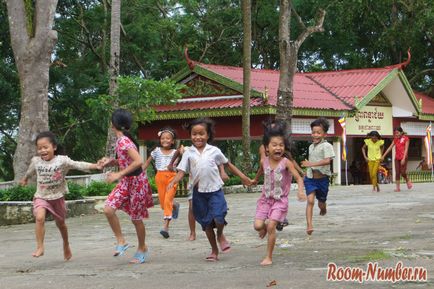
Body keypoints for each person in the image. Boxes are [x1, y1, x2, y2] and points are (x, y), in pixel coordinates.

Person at [167, 117, 251, 261]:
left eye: (201, 134)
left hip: (215, 191)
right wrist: (173, 181)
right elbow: (181, 171)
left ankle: (220, 234)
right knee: (206, 224)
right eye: (194, 134)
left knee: (219, 217)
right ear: (190, 135)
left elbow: (228, 164)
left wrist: (243, 177)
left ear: (208, 135)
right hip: (198, 194)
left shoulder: (214, 150)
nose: (198, 137)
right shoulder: (188, 152)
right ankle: (214, 251)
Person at [19, 131, 102, 260]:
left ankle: (66, 244)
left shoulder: (62, 160)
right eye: (39, 148)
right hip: (41, 196)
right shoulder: (36, 161)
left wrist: (95, 166)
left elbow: (78, 164)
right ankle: (40, 247)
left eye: (45, 147)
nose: (42, 151)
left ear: (54, 147)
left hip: (57, 197)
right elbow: (30, 171)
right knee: (39, 218)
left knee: (61, 224)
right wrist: (24, 179)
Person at [100, 108, 154, 264]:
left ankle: (142, 247)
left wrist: (118, 174)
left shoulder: (123, 140)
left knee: (136, 219)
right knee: (109, 209)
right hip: (126, 182)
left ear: (113, 124)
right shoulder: (122, 140)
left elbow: (138, 161)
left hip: (136, 183)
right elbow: (127, 160)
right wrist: (112, 161)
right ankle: (121, 241)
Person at [252, 121, 305, 266]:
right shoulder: (264, 161)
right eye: (274, 145)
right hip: (265, 200)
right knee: (258, 226)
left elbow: (299, 177)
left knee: (271, 226)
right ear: (267, 148)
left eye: (281, 145)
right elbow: (261, 172)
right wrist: (255, 180)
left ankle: (268, 256)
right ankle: (263, 228)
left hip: (280, 201)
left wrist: (300, 191)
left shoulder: (286, 162)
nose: (278, 148)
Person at [168, 144, 229, 241]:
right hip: (195, 186)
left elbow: (221, 161)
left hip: (211, 187)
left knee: (216, 211)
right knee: (192, 207)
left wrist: (222, 172)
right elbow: (178, 152)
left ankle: (219, 232)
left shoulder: (213, 149)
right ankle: (192, 232)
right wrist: (171, 164)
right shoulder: (188, 150)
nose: (198, 137)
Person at [258, 120, 304, 231]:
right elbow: (262, 165)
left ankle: (278, 219)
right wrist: (255, 179)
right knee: (260, 224)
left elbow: (292, 162)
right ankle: (272, 221)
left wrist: (301, 172)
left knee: (274, 217)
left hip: (280, 195)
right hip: (268, 194)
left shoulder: (283, 151)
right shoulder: (264, 147)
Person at [143, 127, 180, 239]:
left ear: (172, 141)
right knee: (164, 204)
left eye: (168, 138)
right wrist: (140, 172)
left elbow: (182, 153)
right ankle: (175, 205)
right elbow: (147, 162)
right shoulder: (156, 151)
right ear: (160, 140)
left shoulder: (175, 152)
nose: (165, 140)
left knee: (168, 200)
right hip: (159, 177)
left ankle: (165, 227)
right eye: (163, 138)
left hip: (172, 177)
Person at [301, 118, 335, 235]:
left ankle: (323, 208)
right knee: (310, 201)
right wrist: (307, 170)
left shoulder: (327, 146)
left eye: (318, 133)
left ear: (324, 134)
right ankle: (309, 225)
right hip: (310, 179)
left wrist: (310, 164)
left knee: (321, 202)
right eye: (313, 132)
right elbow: (311, 161)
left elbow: (327, 161)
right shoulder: (311, 146)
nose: (315, 135)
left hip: (322, 180)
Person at [381, 127, 413, 192]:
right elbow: (390, 148)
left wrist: (404, 158)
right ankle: (398, 188)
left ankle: (407, 179)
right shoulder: (395, 139)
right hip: (397, 158)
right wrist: (383, 156)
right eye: (395, 133)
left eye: (397, 133)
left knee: (403, 172)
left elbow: (406, 149)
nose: (396, 134)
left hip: (404, 157)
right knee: (397, 173)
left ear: (401, 132)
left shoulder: (406, 139)